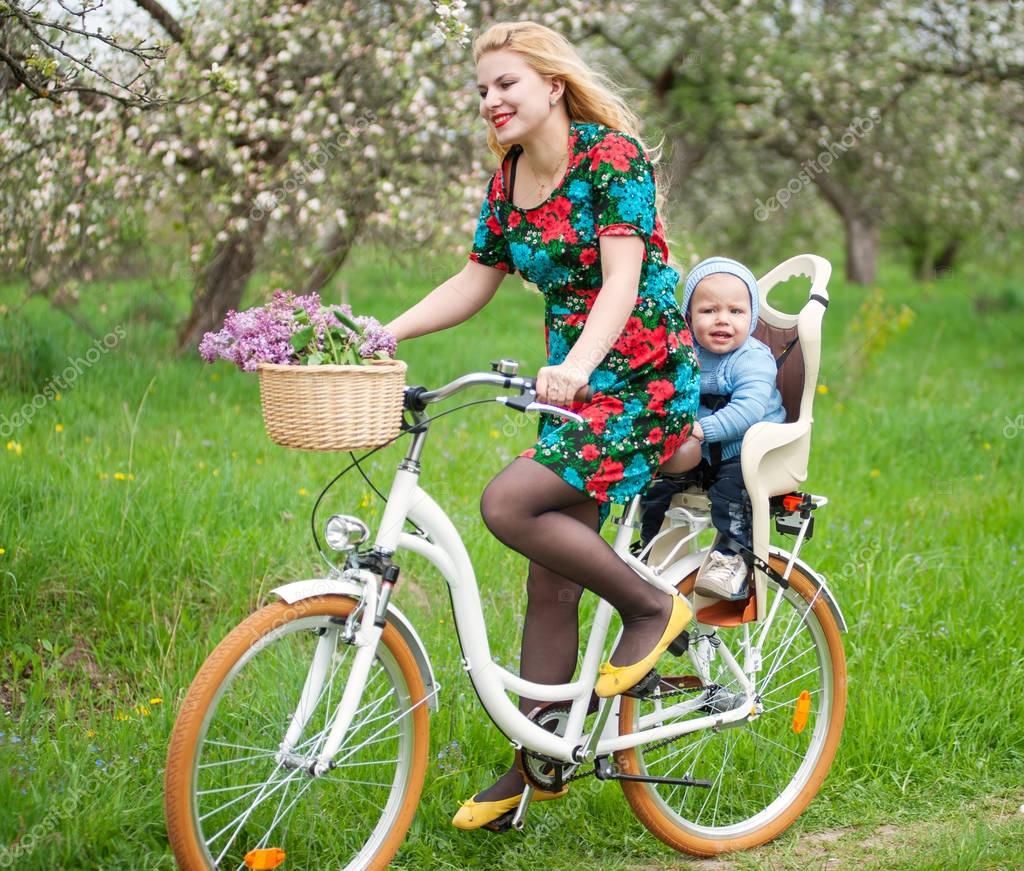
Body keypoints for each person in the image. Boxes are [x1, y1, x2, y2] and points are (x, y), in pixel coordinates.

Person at [383, 21, 699, 830]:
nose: (490, 101)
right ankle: (537, 760)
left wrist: (584, 365)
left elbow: (624, 280)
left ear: (552, 86)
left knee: (509, 504)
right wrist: (389, 332)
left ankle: (653, 609)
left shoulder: (612, 157)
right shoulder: (508, 178)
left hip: (639, 378)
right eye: (482, 89)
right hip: (578, 388)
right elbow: (474, 278)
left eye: (505, 85)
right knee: (549, 576)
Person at [640, 256, 786, 601]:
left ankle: (731, 559)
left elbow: (748, 410)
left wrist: (700, 430)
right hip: (700, 451)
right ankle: (652, 552)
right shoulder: (685, 353)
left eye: (736, 311)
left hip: (748, 450)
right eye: (709, 311)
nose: (723, 320)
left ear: (751, 318)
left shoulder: (752, 358)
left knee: (733, 494)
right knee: (658, 488)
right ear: (688, 317)